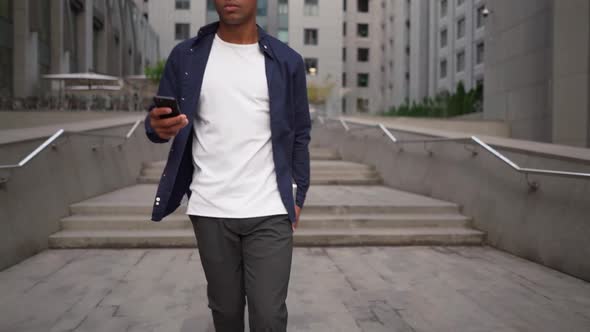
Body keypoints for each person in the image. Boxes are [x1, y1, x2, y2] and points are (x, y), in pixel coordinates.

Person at [143, 0, 311, 331]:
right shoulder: (186, 56)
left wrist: (299, 193)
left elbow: (300, 133)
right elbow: (159, 122)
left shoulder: (287, 61)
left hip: (270, 208)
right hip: (210, 208)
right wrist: (156, 127)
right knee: (225, 312)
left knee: (269, 316)